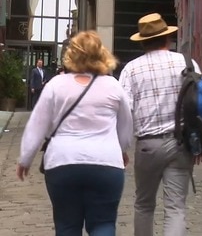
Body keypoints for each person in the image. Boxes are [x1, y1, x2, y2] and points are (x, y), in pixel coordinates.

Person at [16, 30, 133, 235]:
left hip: (63, 162)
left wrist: (25, 158)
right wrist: (122, 149)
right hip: (106, 163)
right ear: (101, 54)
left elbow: (37, 124)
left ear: (71, 55)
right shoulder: (113, 86)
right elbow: (126, 125)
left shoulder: (56, 85)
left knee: (67, 225)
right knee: (103, 223)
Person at [119, 12, 202, 236]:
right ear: (168, 39)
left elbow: (125, 112)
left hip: (147, 146)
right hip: (180, 143)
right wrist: (200, 143)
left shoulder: (131, 69)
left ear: (143, 42)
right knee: (175, 207)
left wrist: (121, 147)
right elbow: (201, 104)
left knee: (144, 204)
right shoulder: (188, 63)